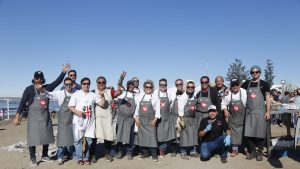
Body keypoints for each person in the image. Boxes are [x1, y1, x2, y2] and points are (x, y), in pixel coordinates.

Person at [12, 64, 71, 166]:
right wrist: (17, 115)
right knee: (32, 138)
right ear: (34, 79)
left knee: (46, 136)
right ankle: (32, 158)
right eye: (37, 78)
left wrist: (63, 72)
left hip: (44, 116)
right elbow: (22, 102)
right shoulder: (29, 89)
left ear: (43, 79)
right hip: (33, 117)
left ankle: (44, 155)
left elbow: (57, 82)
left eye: (40, 78)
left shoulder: (47, 88)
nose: (39, 79)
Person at [68, 77, 104, 165]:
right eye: (84, 83)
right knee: (77, 140)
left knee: (89, 141)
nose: (86, 85)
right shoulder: (76, 94)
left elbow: (102, 104)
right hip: (78, 121)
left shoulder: (93, 95)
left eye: (88, 83)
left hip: (90, 121)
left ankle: (87, 157)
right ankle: (79, 158)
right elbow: (70, 107)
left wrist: (102, 95)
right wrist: (78, 113)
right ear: (81, 85)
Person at [92, 72, 125, 162]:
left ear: (106, 83)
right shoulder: (93, 92)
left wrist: (121, 80)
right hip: (96, 118)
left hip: (107, 117)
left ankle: (107, 154)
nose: (101, 84)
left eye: (103, 82)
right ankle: (93, 155)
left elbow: (119, 91)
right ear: (97, 83)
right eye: (99, 82)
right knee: (94, 138)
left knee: (108, 137)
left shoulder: (110, 91)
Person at [241, 65, 271, 161]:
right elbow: (238, 91)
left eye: (256, 72)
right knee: (249, 133)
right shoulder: (246, 84)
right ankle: (252, 151)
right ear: (250, 73)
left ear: (259, 73)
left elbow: (267, 98)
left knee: (260, 132)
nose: (255, 74)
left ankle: (259, 152)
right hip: (249, 112)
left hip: (260, 111)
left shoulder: (265, 84)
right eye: (252, 72)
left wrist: (268, 111)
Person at [48, 77, 75, 165]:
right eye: (66, 84)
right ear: (64, 85)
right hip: (63, 120)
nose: (68, 86)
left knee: (73, 137)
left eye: (70, 84)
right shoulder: (60, 93)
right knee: (61, 139)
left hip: (73, 119)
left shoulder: (76, 94)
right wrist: (40, 89)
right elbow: (48, 94)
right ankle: (60, 156)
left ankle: (73, 154)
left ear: (73, 85)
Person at [134, 80, 160, 162]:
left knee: (152, 137)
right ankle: (144, 153)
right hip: (141, 120)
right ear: (144, 88)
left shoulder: (155, 97)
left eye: (150, 87)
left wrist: (155, 119)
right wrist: (136, 118)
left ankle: (154, 154)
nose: (148, 88)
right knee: (142, 138)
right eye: (147, 87)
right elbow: (137, 109)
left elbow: (158, 110)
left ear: (152, 88)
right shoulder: (140, 97)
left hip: (151, 120)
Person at [221, 78, 247, 157]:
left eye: (236, 84)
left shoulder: (244, 92)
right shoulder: (228, 93)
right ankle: (234, 150)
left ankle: (245, 149)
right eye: (233, 85)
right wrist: (225, 110)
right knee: (234, 135)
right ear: (231, 86)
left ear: (239, 85)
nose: (235, 86)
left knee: (244, 133)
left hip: (243, 117)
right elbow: (223, 103)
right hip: (233, 118)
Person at [115, 80, 136, 160]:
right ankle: (120, 151)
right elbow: (119, 85)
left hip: (130, 119)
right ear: (127, 86)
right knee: (119, 135)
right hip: (121, 118)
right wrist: (121, 78)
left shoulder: (136, 95)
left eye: (132, 85)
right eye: (129, 85)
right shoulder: (123, 93)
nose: (131, 86)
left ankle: (129, 151)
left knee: (130, 136)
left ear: (134, 86)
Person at [155, 78, 176, 158]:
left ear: (167, 85)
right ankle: (156, 149)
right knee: (157, 134)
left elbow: (172, 104)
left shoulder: (170, 94)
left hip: (166, 117)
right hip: (157, 117)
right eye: (161, 85)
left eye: (165, 85)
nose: (163, 86)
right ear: (159, 85)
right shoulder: (155, 94)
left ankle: (162, 150)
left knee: (165, 135)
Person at [177, 80, 198, 160]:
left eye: (192, 87)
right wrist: (182, 120)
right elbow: (180, 109)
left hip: (192, 118)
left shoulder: (194, 95)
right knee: (184, 135)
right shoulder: (183, 97)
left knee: (193, 134)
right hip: (184, 118)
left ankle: (192, 151)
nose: (190, 88)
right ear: (186, 88)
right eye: (189, 87)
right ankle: (183, 152)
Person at [169, 78, 185, 157]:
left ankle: (182, 150)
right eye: (177, 84)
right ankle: (174, 150)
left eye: (180, 84)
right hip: (174, 117)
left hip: (182, 117)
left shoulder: (186, 94)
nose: (179, 86)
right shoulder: (173, 94)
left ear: (183, 85)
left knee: (183, 134)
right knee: (174, 135)